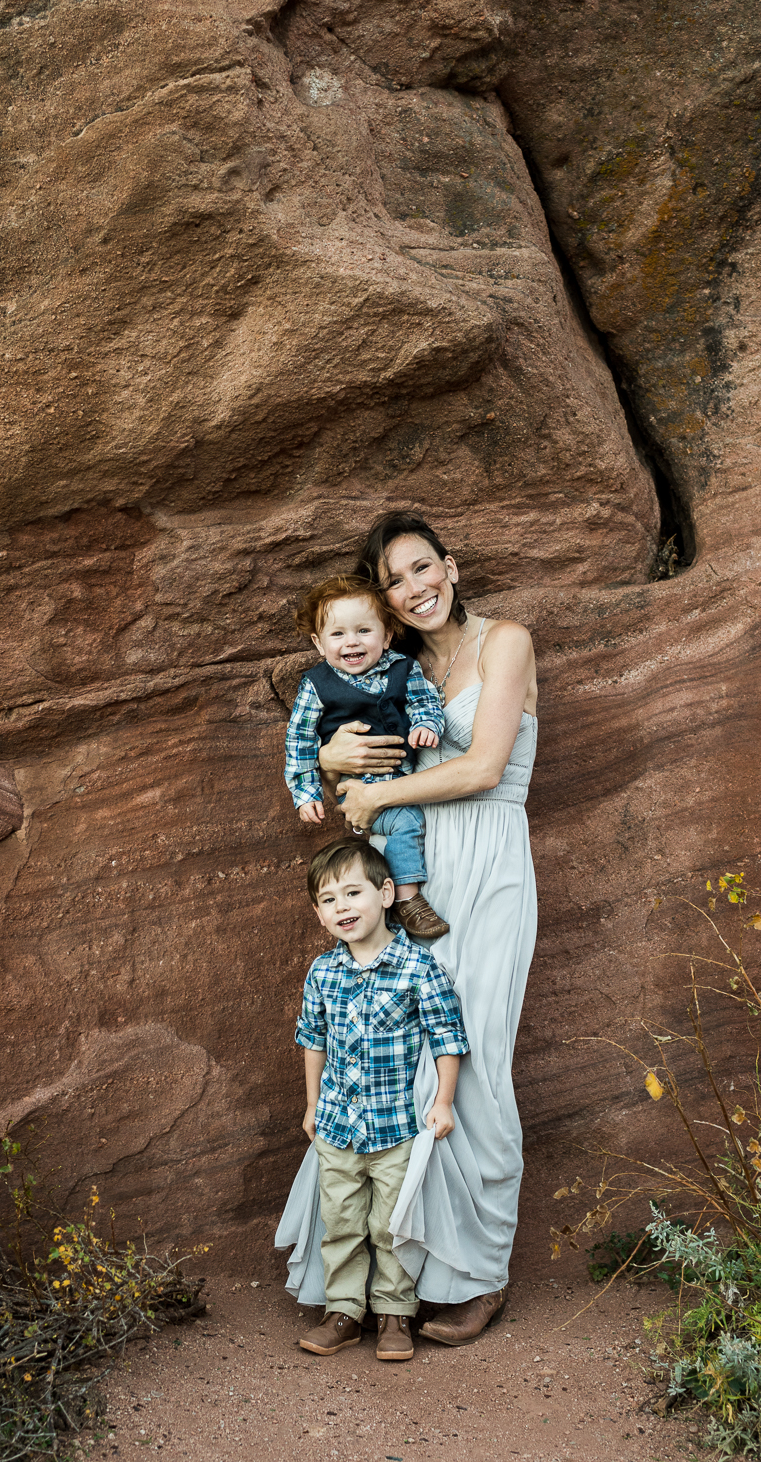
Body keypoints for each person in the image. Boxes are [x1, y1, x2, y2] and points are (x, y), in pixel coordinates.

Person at [317, 511, 538, 1346]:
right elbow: (332, 743)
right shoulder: (395, 665)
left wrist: (378, 796)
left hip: (489, 860)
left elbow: (482, 767)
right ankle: (407, 1278)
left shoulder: (505, 642)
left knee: (474, 1056)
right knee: (405, 1059)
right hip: (410, 871)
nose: (414, 589)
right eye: (395, 582)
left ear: (451, 564)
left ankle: (483, 1275)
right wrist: (338, 767)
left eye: (422, 569)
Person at [295, 837, 468, 1361]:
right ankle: (344, 1310)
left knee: (392, 1224)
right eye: (329, 899)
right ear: (319, 914)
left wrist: (443, 1101)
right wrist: (310, 1105)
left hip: (397, 1127)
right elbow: (312, 1039)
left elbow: (447, 1036)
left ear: (387, 893)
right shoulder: (323, 973)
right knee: (342, 1220)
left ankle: (395, 1313)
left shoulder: (419, 967)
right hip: (337, 1126)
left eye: (353, 892)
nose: (342, 907)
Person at [284, 574, 448, 940]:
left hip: (403, 779)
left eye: (363, 631)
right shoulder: (316, 684)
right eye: (337, 634)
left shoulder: (403, 668)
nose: (351, 642)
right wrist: (306, 792)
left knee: (395, 835)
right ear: (318, 642)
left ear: (387, 635)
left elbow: (425, 700)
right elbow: (299, 740)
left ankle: (384, 905)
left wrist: (426, 723)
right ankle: (409, 901)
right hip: (358, 787)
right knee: (405, 822)